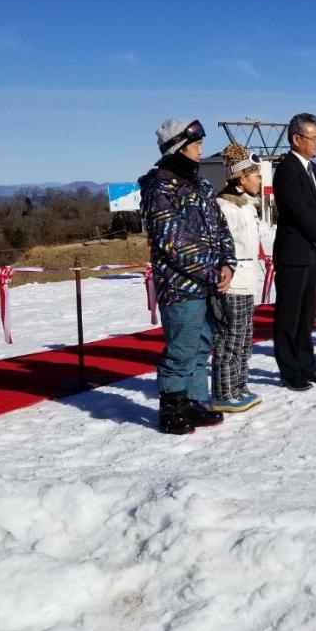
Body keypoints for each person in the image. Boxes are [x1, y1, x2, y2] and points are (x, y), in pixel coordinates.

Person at [140, 118, 234, 434]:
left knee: (199, 347)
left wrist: (227, 264)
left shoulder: (201, 185)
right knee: (181, 348)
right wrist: (209, 271)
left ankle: (195, 402)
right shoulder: (160, 188)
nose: (201, 150)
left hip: (208, 284)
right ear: (179, 147)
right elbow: (172, 242)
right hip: (181, 288)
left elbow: (221, 229)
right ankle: (172, 407)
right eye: (195, 144)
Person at [271, 112, 316, 392]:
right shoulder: (287, 169)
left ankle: (308, 364)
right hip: (294, 251)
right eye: (313, 138)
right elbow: (296, 208)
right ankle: (290, 370)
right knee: (290, 313)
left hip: (312, 251)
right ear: (297, 139)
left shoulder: (315, 170)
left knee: (307, 312)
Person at [211, 143, 264, 414]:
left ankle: (239, 385)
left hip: (248, 277)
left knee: (244, 338)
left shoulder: (248, 205)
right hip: (232, 279)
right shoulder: (223, 206)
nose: (259, 181)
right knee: (230, 338)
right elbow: (220, 244)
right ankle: (224, 391)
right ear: (242, 177)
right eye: (256, 176)